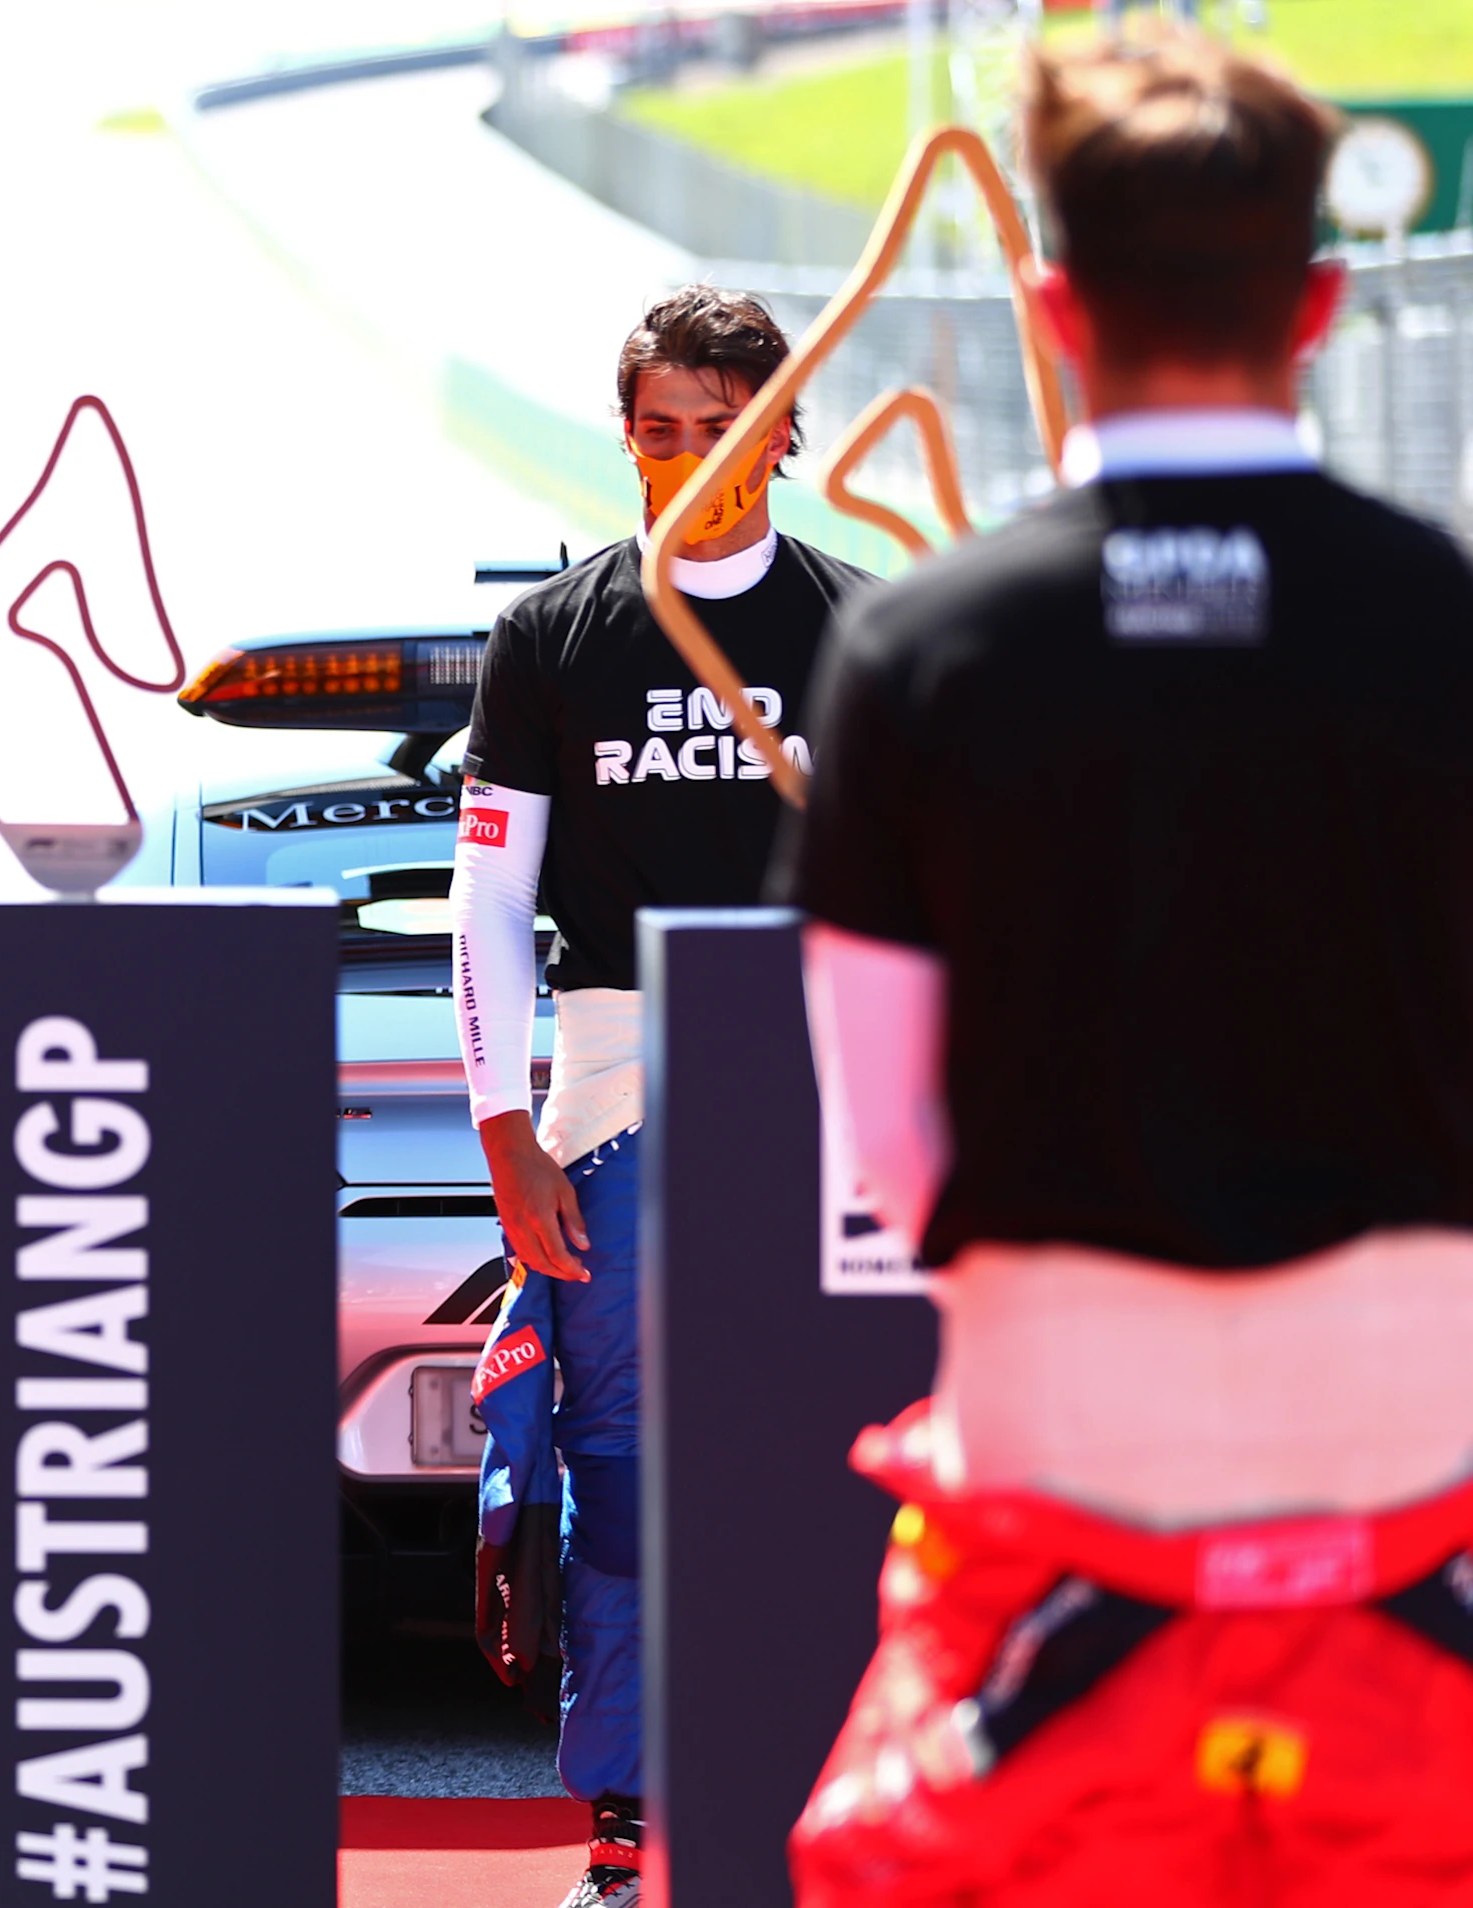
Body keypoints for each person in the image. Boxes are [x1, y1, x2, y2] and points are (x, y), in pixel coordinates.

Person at [782, 33, 1473, 1903]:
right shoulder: (1448, 625)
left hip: (1057, 1537)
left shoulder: (917, 652)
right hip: (1424, 1538)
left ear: (1052, 302)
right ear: (1321, 304)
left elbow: (888, 1149)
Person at [449, 285, 877, 1908]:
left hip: (821, 1073)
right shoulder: (554, 634)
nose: (695, 461)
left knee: (838, 1451)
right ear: (625, 437)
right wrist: (506, 1137)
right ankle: (624, 1823)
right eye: (661, 430)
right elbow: (489, 903)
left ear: (787, 434)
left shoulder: (866, 628)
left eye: (729, 428)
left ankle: (838, 1809)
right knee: (620, 1461)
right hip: (613, 1082)